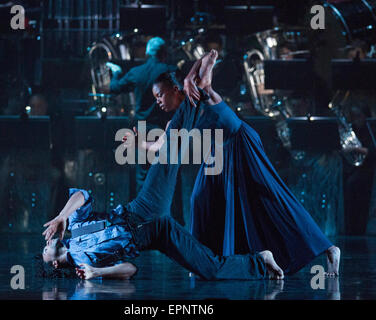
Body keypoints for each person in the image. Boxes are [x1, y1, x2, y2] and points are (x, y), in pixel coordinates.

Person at [127, 49, 341, 276]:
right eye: (155, 98)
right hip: (218, 153)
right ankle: (202, 260)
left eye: (160, 95)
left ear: (174, 90)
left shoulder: (198, 93)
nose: (158, 102)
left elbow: (209, 58)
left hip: (240, 141)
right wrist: (139, 143)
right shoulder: (175, 122)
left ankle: (328, 249)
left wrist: (193, 74)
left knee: (272, 195)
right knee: (200, 198)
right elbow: (160, 147)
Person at [41, 188, 284, 281]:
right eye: (44, 248)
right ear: (53, 261)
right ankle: (260, 260)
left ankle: (180, 117)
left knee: (167, 157)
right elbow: (130, 269)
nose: (46, 241)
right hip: (156, 232)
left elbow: (82, 194)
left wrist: (62, 216)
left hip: (139, 211)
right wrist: (98, 272)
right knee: (210, 270)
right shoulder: (86, 265)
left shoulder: (74, 227)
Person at [106, 37, 184, 225]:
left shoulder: (137, 72)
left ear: (148, 53)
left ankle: (144, 223)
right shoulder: (171, 71)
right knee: (171, 175)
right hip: (165, 126)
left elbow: (114, 88)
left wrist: (116, 73)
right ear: (164, 52)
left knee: (143, 177)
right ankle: (175, 221)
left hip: (142, 129)